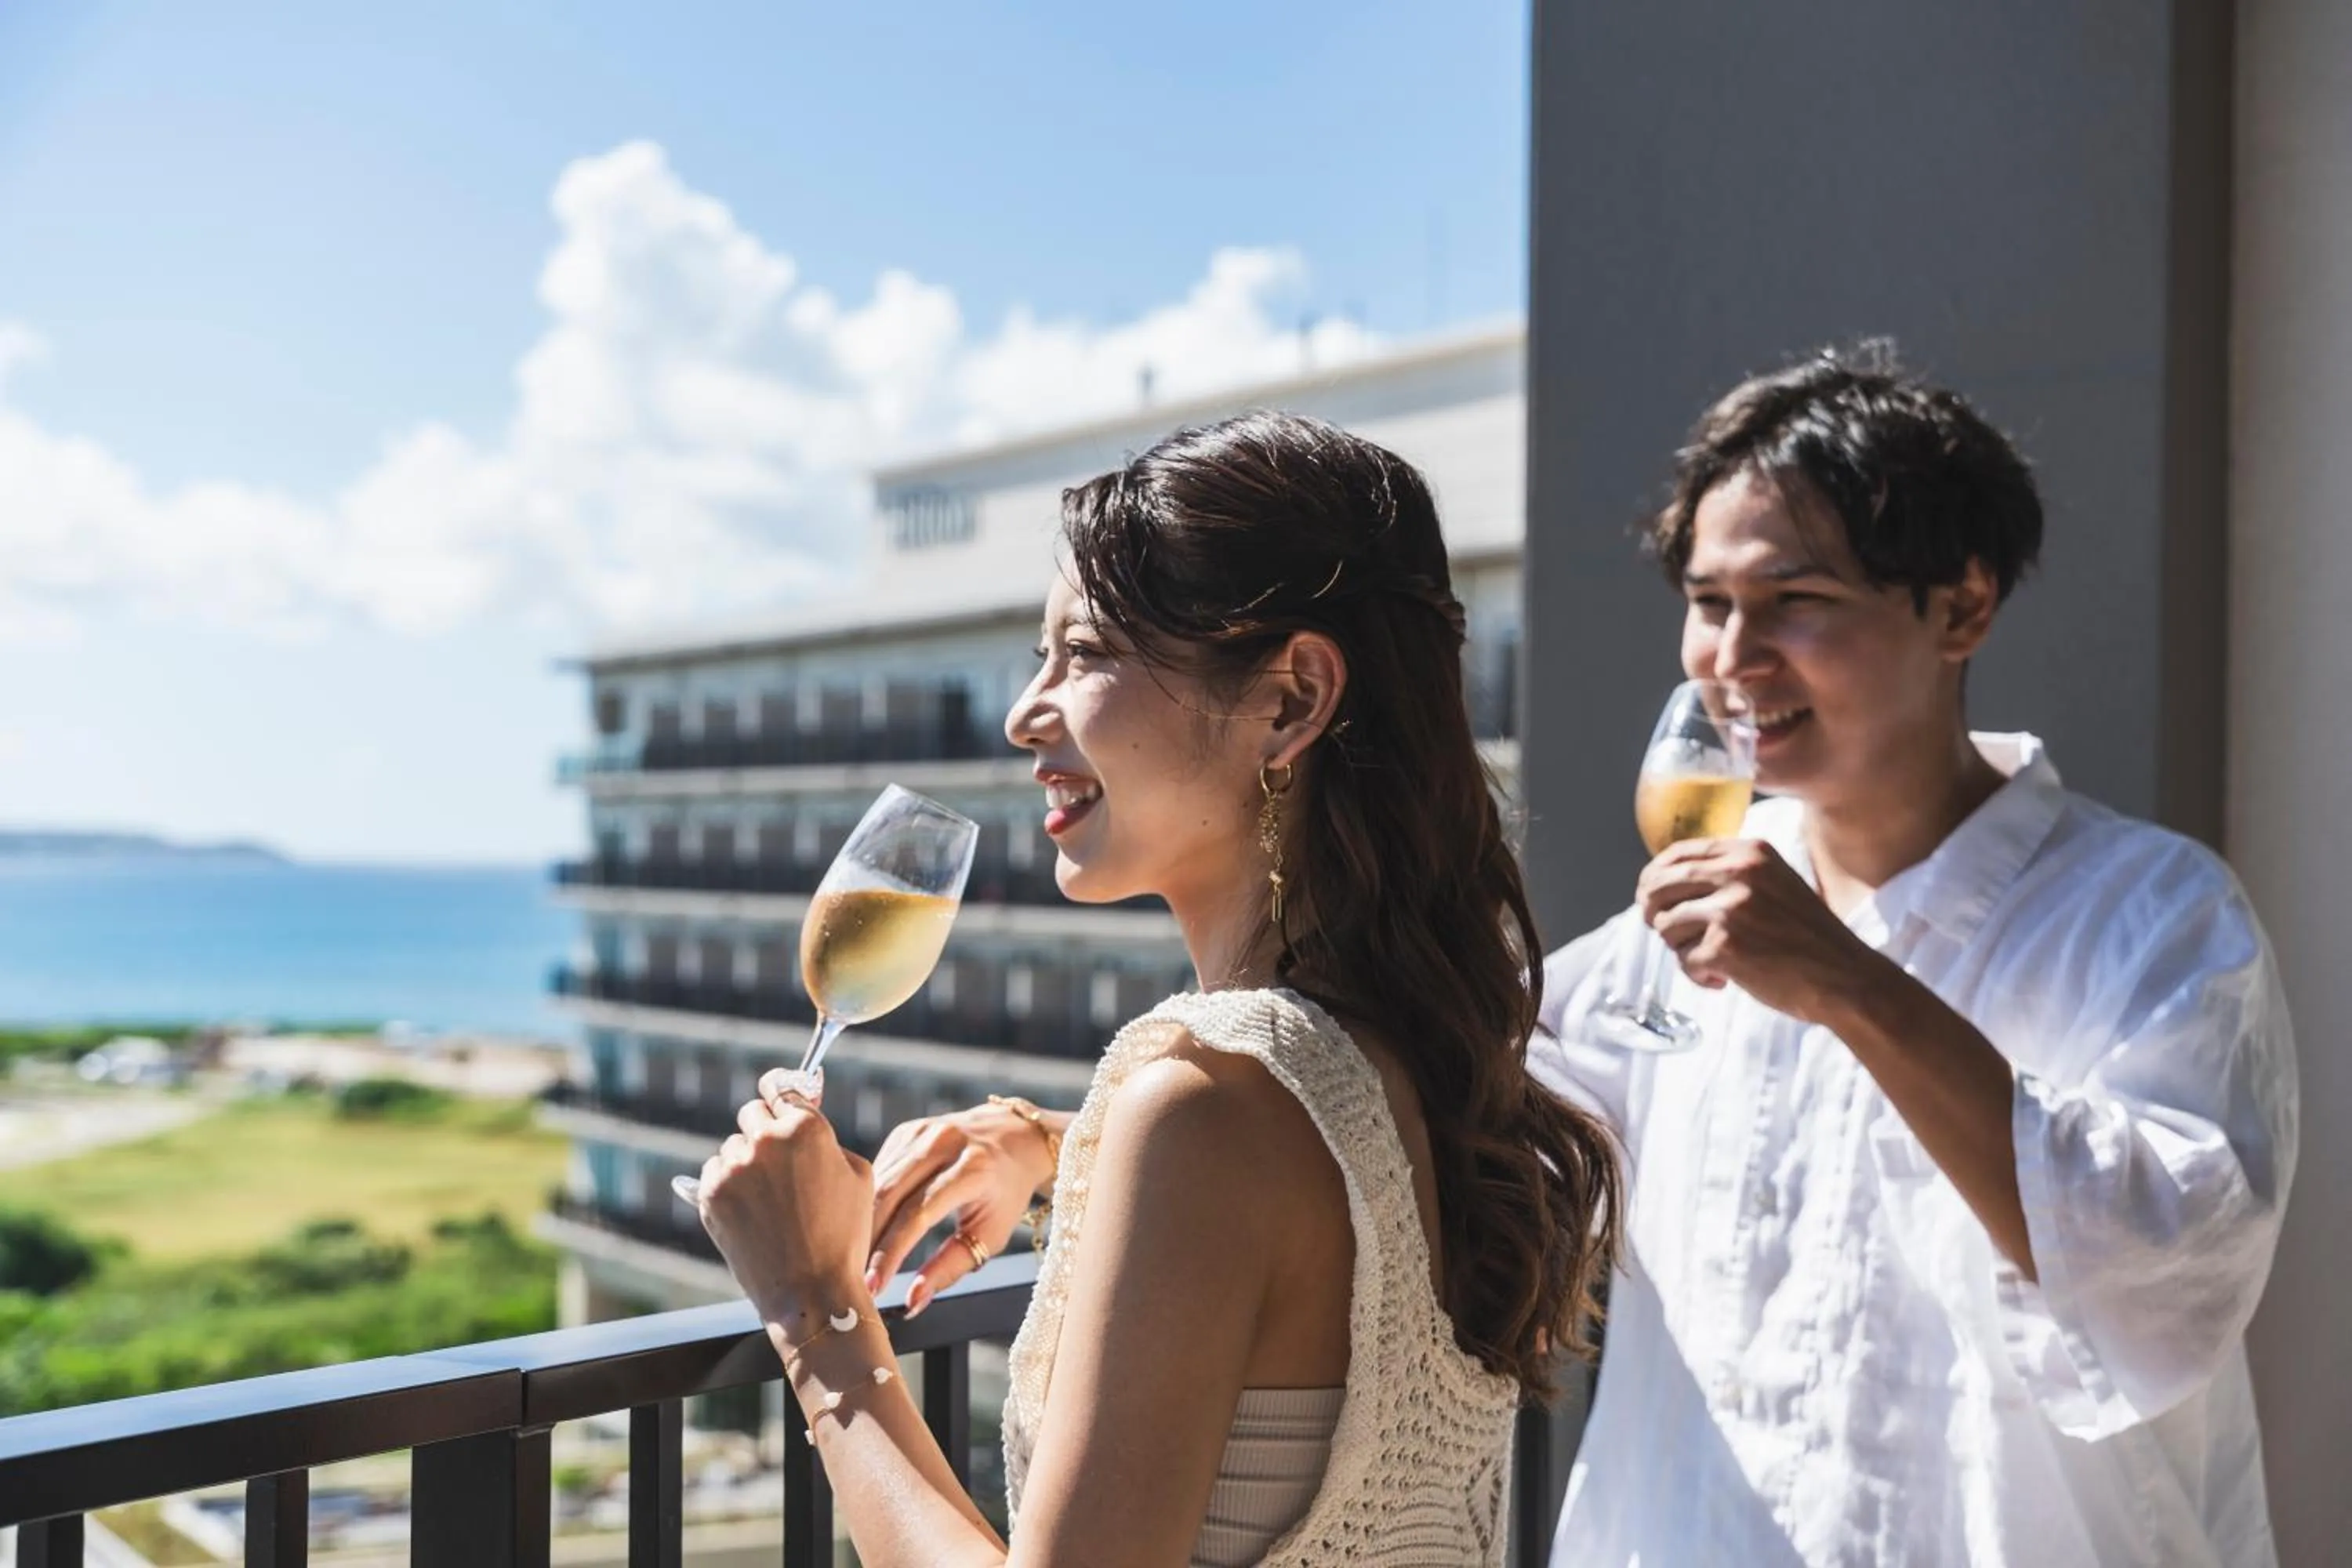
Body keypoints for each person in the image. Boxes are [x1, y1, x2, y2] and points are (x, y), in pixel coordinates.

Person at [694, 410, 1623, 1566]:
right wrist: (1049, 1138)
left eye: (1083, 655)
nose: (1024, 714)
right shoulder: (1409, 1056)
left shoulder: (1202, 1104)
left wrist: (812, 1309)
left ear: (1292, 701)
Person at [1532, 347, 2299, 1566]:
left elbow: (2167, 1270)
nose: (1733, 657)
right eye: (1708, 601)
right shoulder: (1662, 937)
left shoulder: (2155, 916)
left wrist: (1847, 984)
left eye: (1795, 601)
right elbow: (1494, 1134)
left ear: (1962, 607)